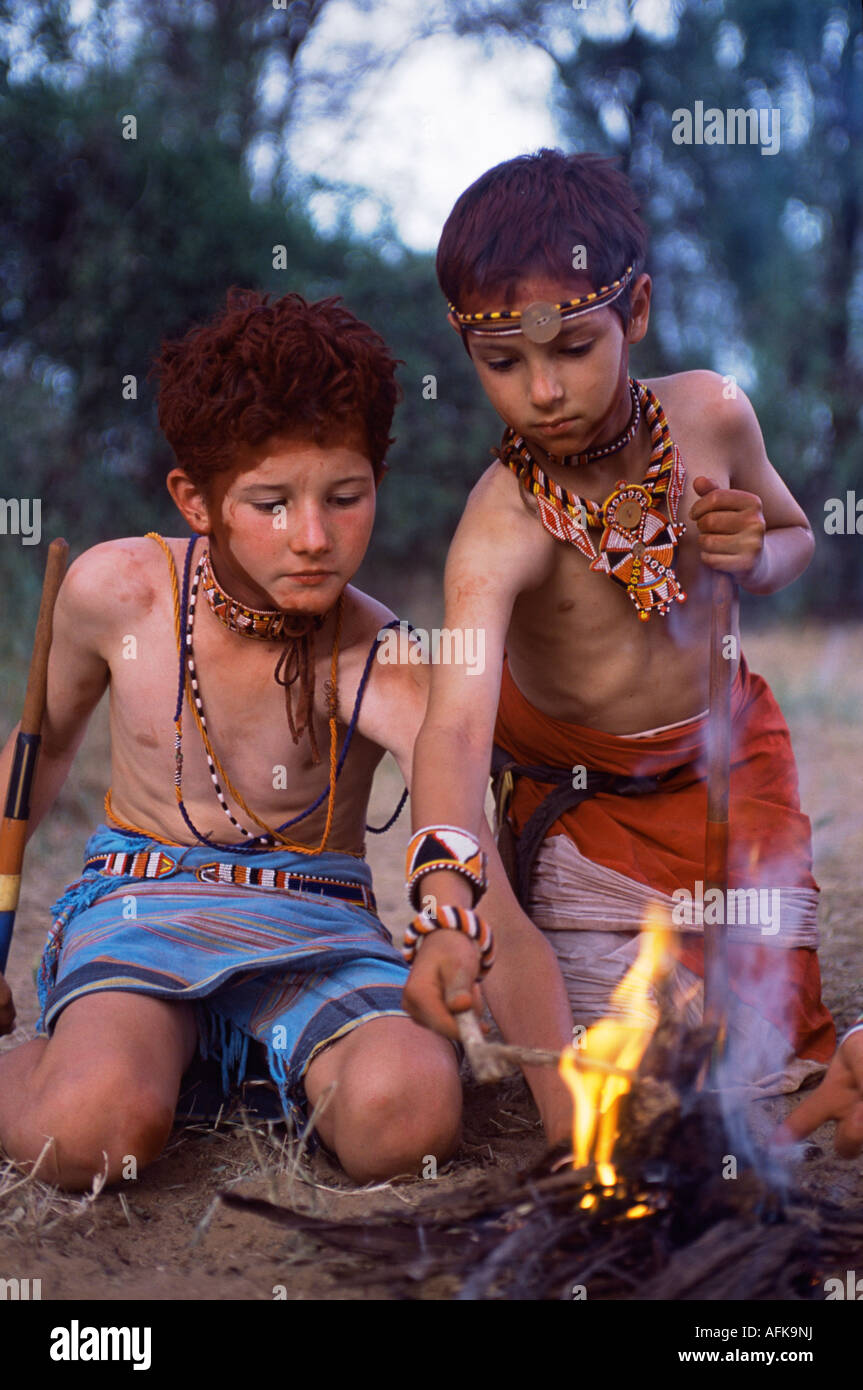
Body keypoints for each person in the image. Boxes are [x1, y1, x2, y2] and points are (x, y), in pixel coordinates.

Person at [0, 287, 572, 1192]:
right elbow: (41, 755)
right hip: (144, 905)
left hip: (320, 923)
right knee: (91, 1130)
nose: (313, 538)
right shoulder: (119, 593)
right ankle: (122, 1063)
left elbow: (465, 845)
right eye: (271, 503)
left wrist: (572, 1121)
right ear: (195, 498)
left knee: (408, 1117)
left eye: (345, 497)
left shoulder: (381, 658)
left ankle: (234, 1067)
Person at [403, 150, 835, 1094]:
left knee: (764, 1049)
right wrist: (443, 897)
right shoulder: (496, 528)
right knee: (643, 1064)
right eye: (503, 363)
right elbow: (454, 730)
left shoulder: (712, 416)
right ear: (465, 347)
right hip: (584, 804)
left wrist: (753, 552)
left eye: (571, 348)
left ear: (632, 312)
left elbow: (796, 537)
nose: (542, 393)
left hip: (728, 766)